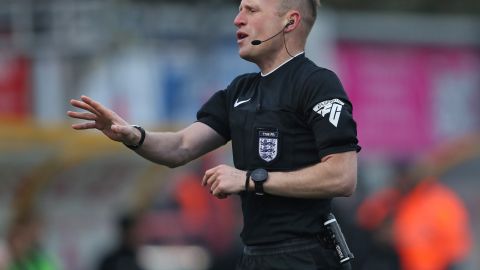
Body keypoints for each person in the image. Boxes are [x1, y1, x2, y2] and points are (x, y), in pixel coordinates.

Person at [67, 0, 361, 269]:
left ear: (290, 22)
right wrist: (134, 135)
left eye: (251, 10)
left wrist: (250, 179)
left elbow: (341, 176)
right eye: (239, 9)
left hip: (305, 257)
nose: (238, 20)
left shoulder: (317, 83)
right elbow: (181, 146)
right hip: (255, 256)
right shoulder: (240, 91)